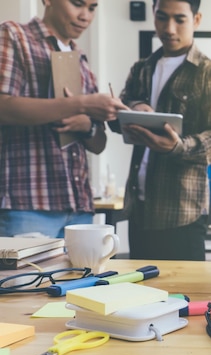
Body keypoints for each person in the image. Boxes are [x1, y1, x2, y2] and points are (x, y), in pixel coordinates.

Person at [114, 0, 211, 261]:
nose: (169, 28)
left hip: (182, 212)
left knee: (183, 297)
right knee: (141, 295)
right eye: (162, 17)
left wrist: (177, 146)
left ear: (196, 20)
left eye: (179, 19)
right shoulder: (141, 68)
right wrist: (135, 106)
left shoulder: (210, 73)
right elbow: (116, 116)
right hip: (139, 207)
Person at [0, 0, 127, 238]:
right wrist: (81, 103)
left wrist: (88, 126)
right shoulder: (14, 35)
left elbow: (99, 144)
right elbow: (3, 108)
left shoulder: (82, 61)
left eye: (92, 8)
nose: (85, 16)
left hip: (80, 209)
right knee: (25, 277)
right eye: (77, 4)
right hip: (27, 204)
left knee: (81, 277)